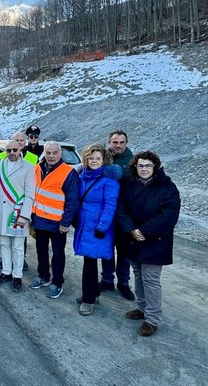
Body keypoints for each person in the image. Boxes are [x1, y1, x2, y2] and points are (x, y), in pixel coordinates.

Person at [116, 151, 181, 337]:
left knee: (151, 279)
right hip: (133, 238)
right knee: (137, 274)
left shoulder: (167, 188)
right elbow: (121, 209)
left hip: (155, 240)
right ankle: (142, 308)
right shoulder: (130, 185)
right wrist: (132, 229)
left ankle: (152, 319)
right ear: (135, 167)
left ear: (156, 167)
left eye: (148, 166)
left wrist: (144, 231)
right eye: (140, 166)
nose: (144, 169)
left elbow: (169, 215)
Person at [72, 144, 121, 315]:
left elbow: (110, 206)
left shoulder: (109, 181)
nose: (94, 161)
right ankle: (94, 292)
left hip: (98, 227)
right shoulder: (83, 176)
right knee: (89, 260)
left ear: (104, 160)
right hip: (85, 224)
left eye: (98, 158)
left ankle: (88, 300)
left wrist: (102, 227)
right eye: (91, 158)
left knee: (90, 263)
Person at [30, 141, 80, 299]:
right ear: (44, 153)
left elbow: (73, 201)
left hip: (58, 223)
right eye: (48, 153)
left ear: (60, 154)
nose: (51, 156)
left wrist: (66, 223)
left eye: (54, 153)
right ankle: (43, 276)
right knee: (41, 251)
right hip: (39, 220)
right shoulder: (37, 168)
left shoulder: (68, 172)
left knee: (58, 254)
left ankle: (57, 283)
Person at [0, 139, 36, 292]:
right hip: (1, 212)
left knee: (18, 247)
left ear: (20, 150)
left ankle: (17, 276)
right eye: (9, 150)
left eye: (14, 150)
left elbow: (30, 194)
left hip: (17, 213)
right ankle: (6, 272)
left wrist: (25, 215)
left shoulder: (29, 167)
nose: (11, 153)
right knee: (4, 244)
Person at [100, 130, 136, 300]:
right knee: (107, 247)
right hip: (106, 212)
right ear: (109, 142)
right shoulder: (103, 158)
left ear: (126, 143)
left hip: (125, 213)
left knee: (124, 250)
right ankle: (107, 278)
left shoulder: (133, 161)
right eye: (115, 142)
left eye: (122, 142)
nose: (118, 145)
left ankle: (123, 283)